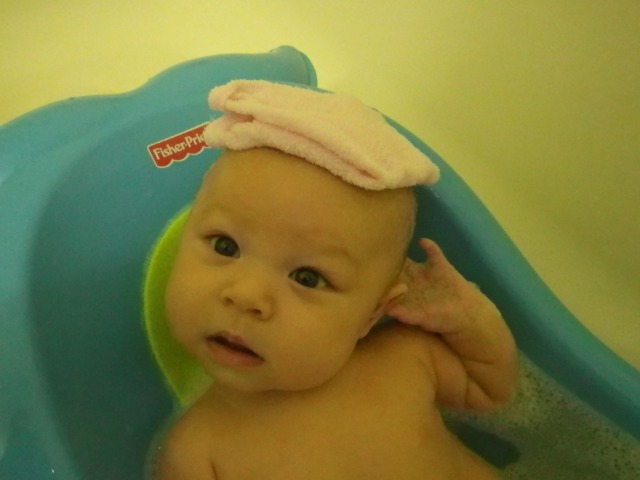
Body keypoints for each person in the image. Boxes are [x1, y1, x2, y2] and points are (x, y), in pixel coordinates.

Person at [155, 81, 518, 479]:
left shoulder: (402, 360)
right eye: (225, 246)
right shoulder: (197, 451)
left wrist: (469, 317)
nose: (246, 295)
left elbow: (492, 390)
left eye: (307, 277)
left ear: (373, 313)